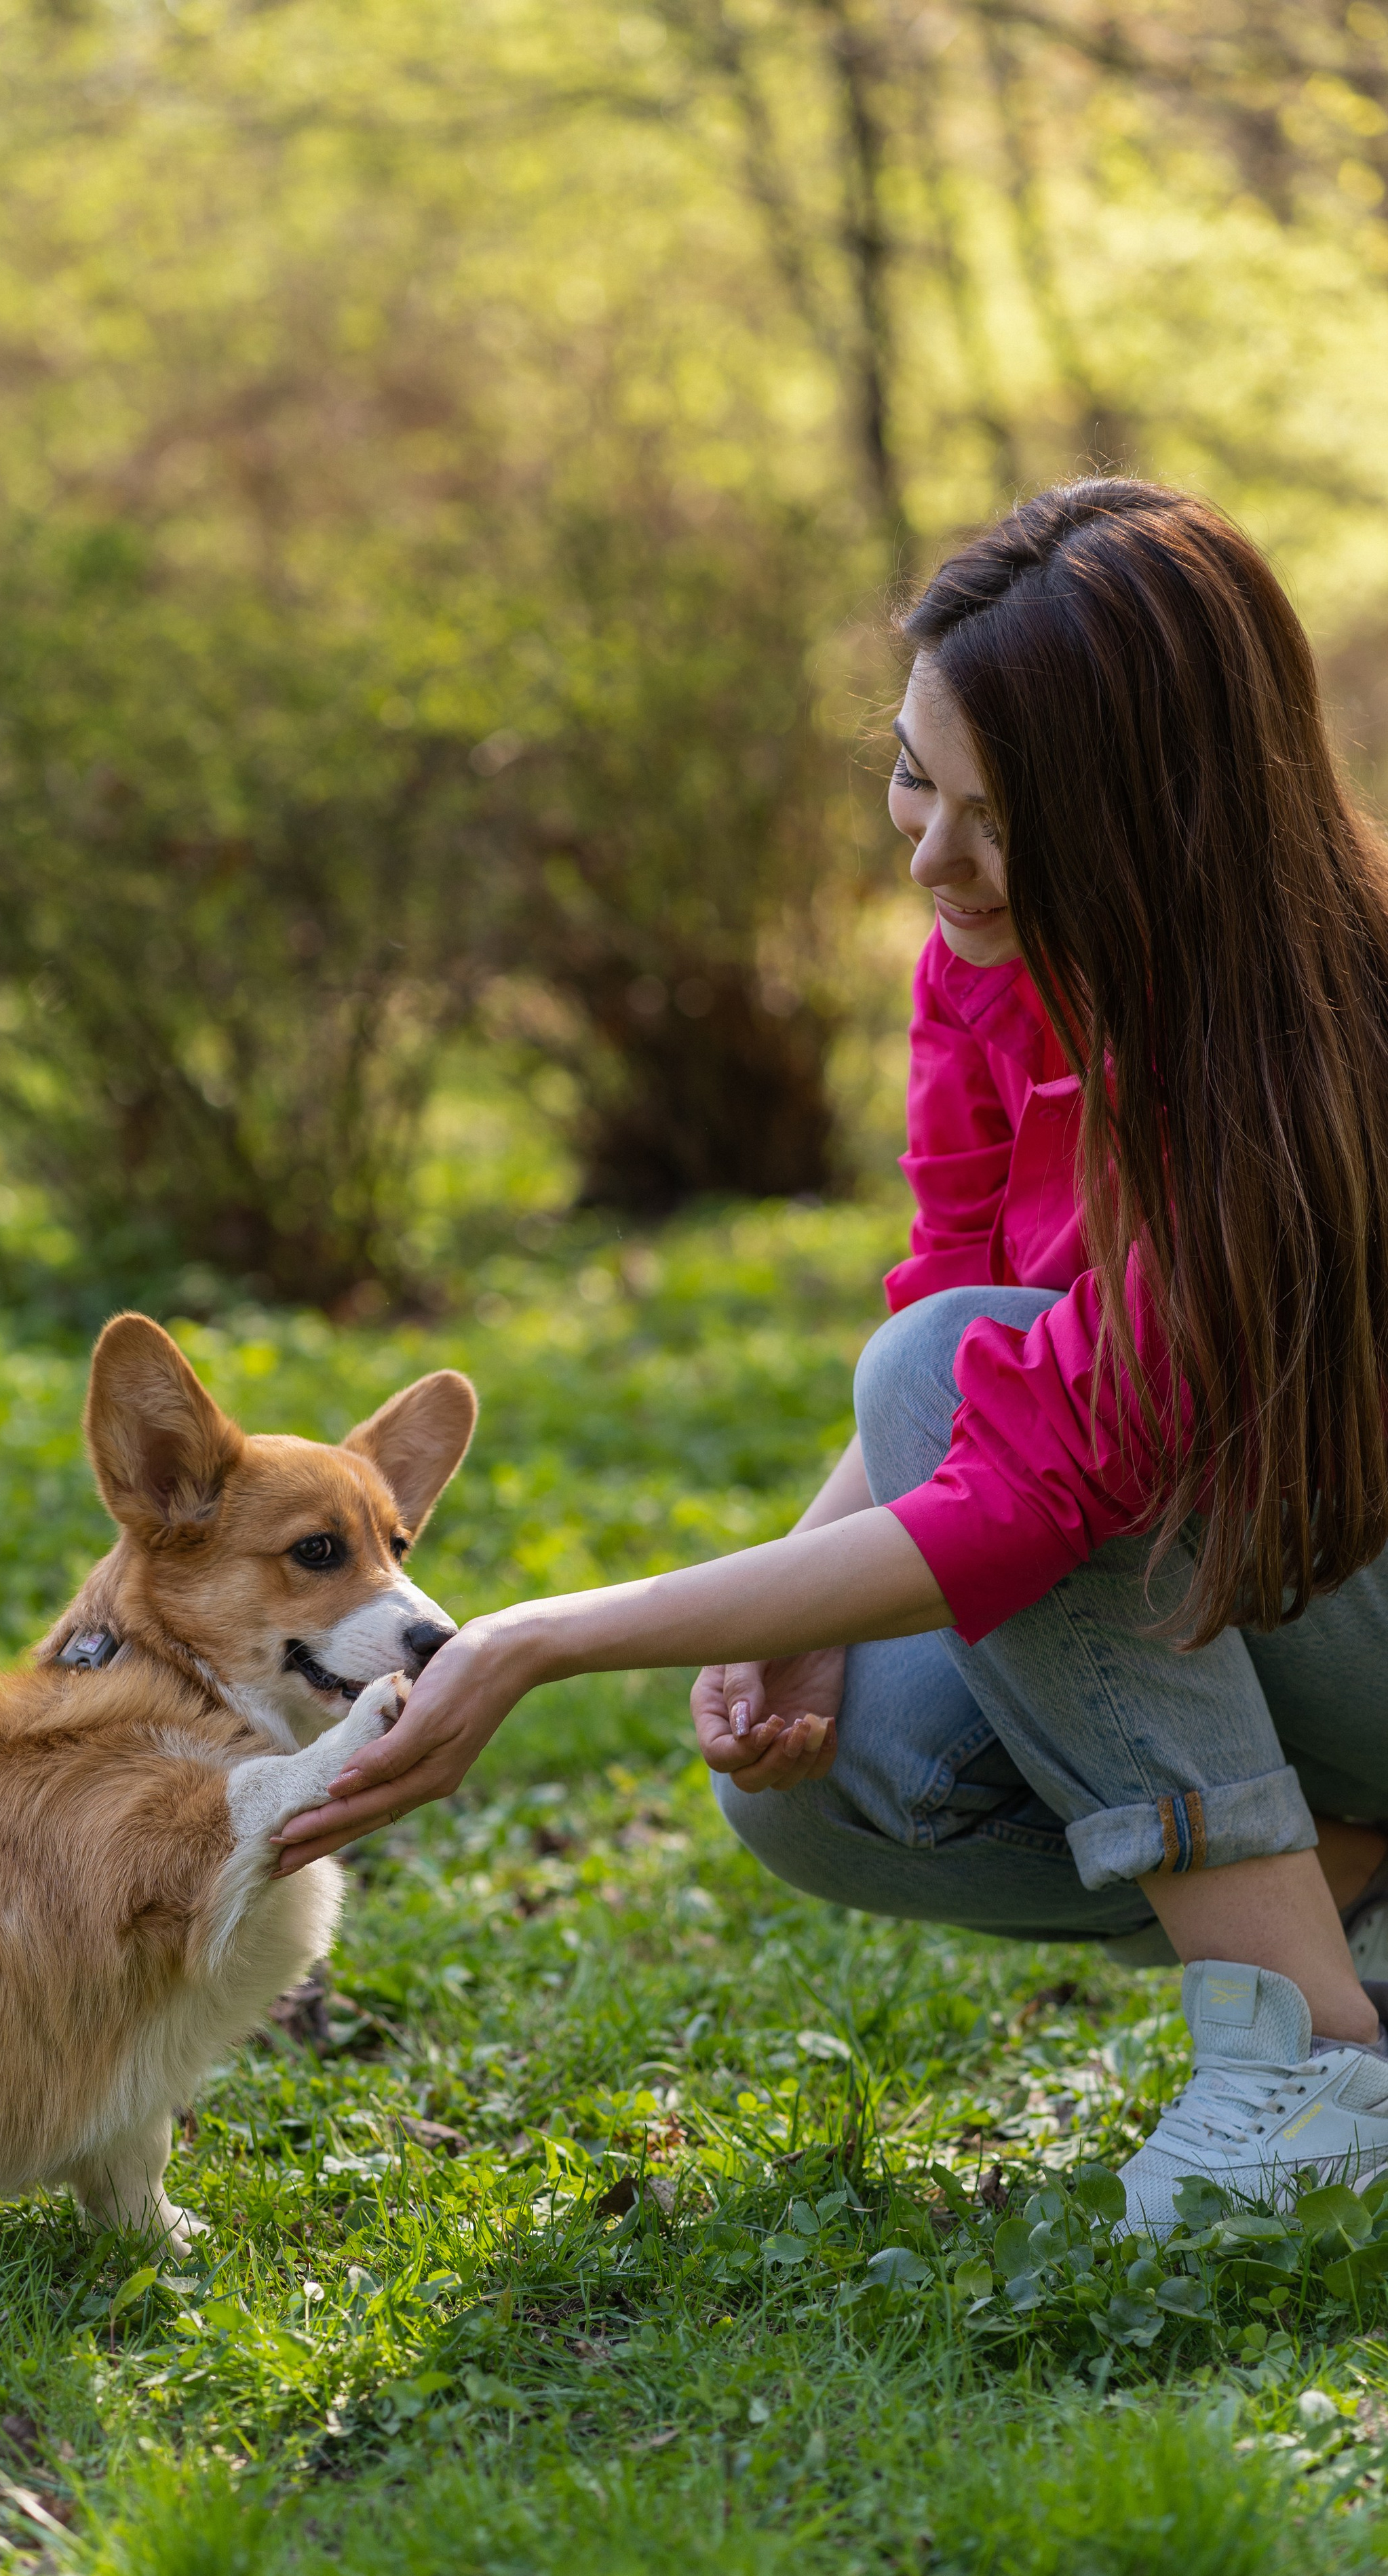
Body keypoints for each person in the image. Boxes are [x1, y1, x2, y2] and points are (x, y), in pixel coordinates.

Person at [276, 479, 1388, 2231]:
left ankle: (1308, 2057)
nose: (933, 856)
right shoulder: (994, 964)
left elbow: (1020, 1458)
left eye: (1005, 819)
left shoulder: (1314, 1035)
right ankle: (1358, 1927)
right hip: (1281, 1603)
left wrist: (539, 1640)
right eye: (915, 777)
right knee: (833, 1770)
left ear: (1163, 820)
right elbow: (959, 1293)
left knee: (952, 1376)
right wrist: (789, 1597)